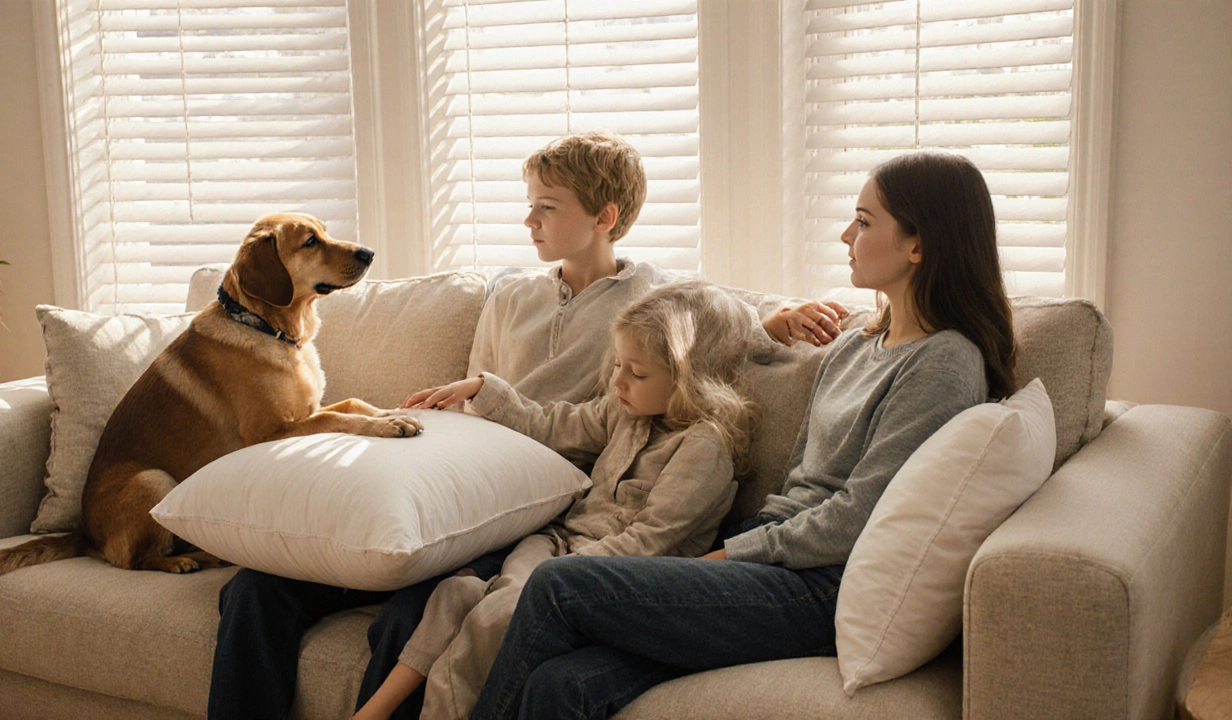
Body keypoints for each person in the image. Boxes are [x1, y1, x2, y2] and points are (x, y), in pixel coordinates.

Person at [205, 129, 845, 720]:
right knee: (258, 593)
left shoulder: (650, 299)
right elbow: (475, 404)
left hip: (536, 507)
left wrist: (779, 317)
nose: (528, 220)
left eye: (546, 207)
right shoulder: (510, 295)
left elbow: (708, 327)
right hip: (459, 480)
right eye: (529, 204)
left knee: (417, 611)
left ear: (605, 218)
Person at [467, 150, 1019, 720]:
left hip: (817, 584)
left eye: (864, 220)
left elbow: (859, 516)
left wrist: (732, 554)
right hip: (770, 550)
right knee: (562, 685)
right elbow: (795, 467)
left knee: (560, 585)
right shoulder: (854, 346)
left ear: (918, 246)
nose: (844, 233)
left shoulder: (944, 362)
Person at [354, 280, 758, 720]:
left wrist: (565, 574)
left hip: (605, 577)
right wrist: (480, 389)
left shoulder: (704, 447)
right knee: (453, 594)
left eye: (636, 373)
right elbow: (549, 424)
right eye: (618, 364)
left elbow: (649, 542)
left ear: (689, 378)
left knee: (498, 615)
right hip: (552, 545)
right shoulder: (625, 411)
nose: (618, 381)